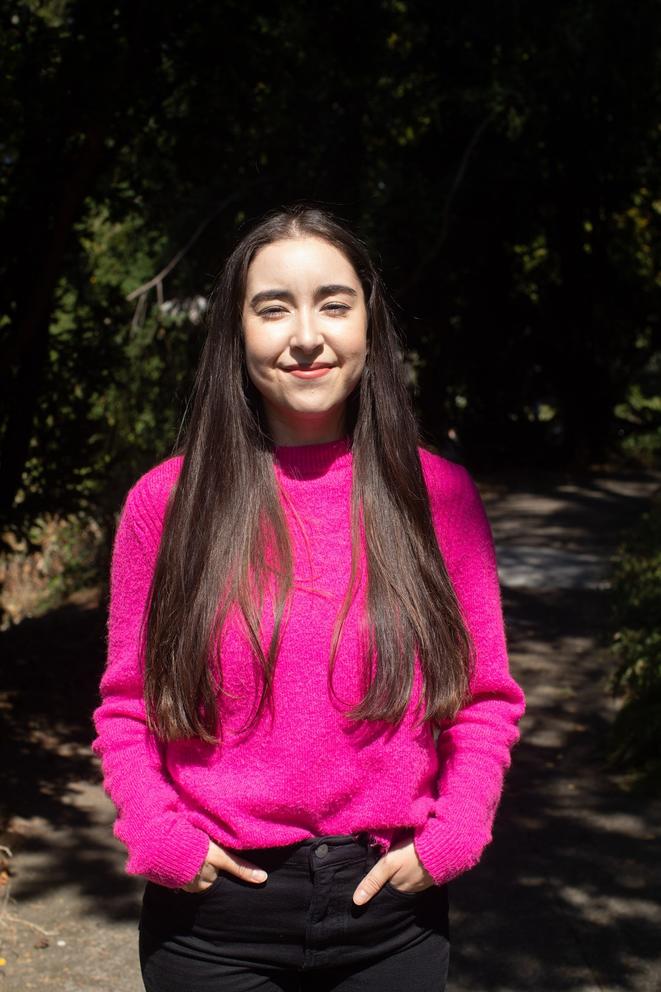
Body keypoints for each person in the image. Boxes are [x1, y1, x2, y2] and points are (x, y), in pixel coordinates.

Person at [91, 203, 526, 992]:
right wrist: (158, 835)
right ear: (236, 333)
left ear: (368, 324)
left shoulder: (438, 498)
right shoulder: (166, 503)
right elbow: (128, 706)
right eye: (272, 308)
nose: (305, 336)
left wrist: (454, 834)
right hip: (211, 925)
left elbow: (483, 698)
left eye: (332, 303)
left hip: (391, 918)